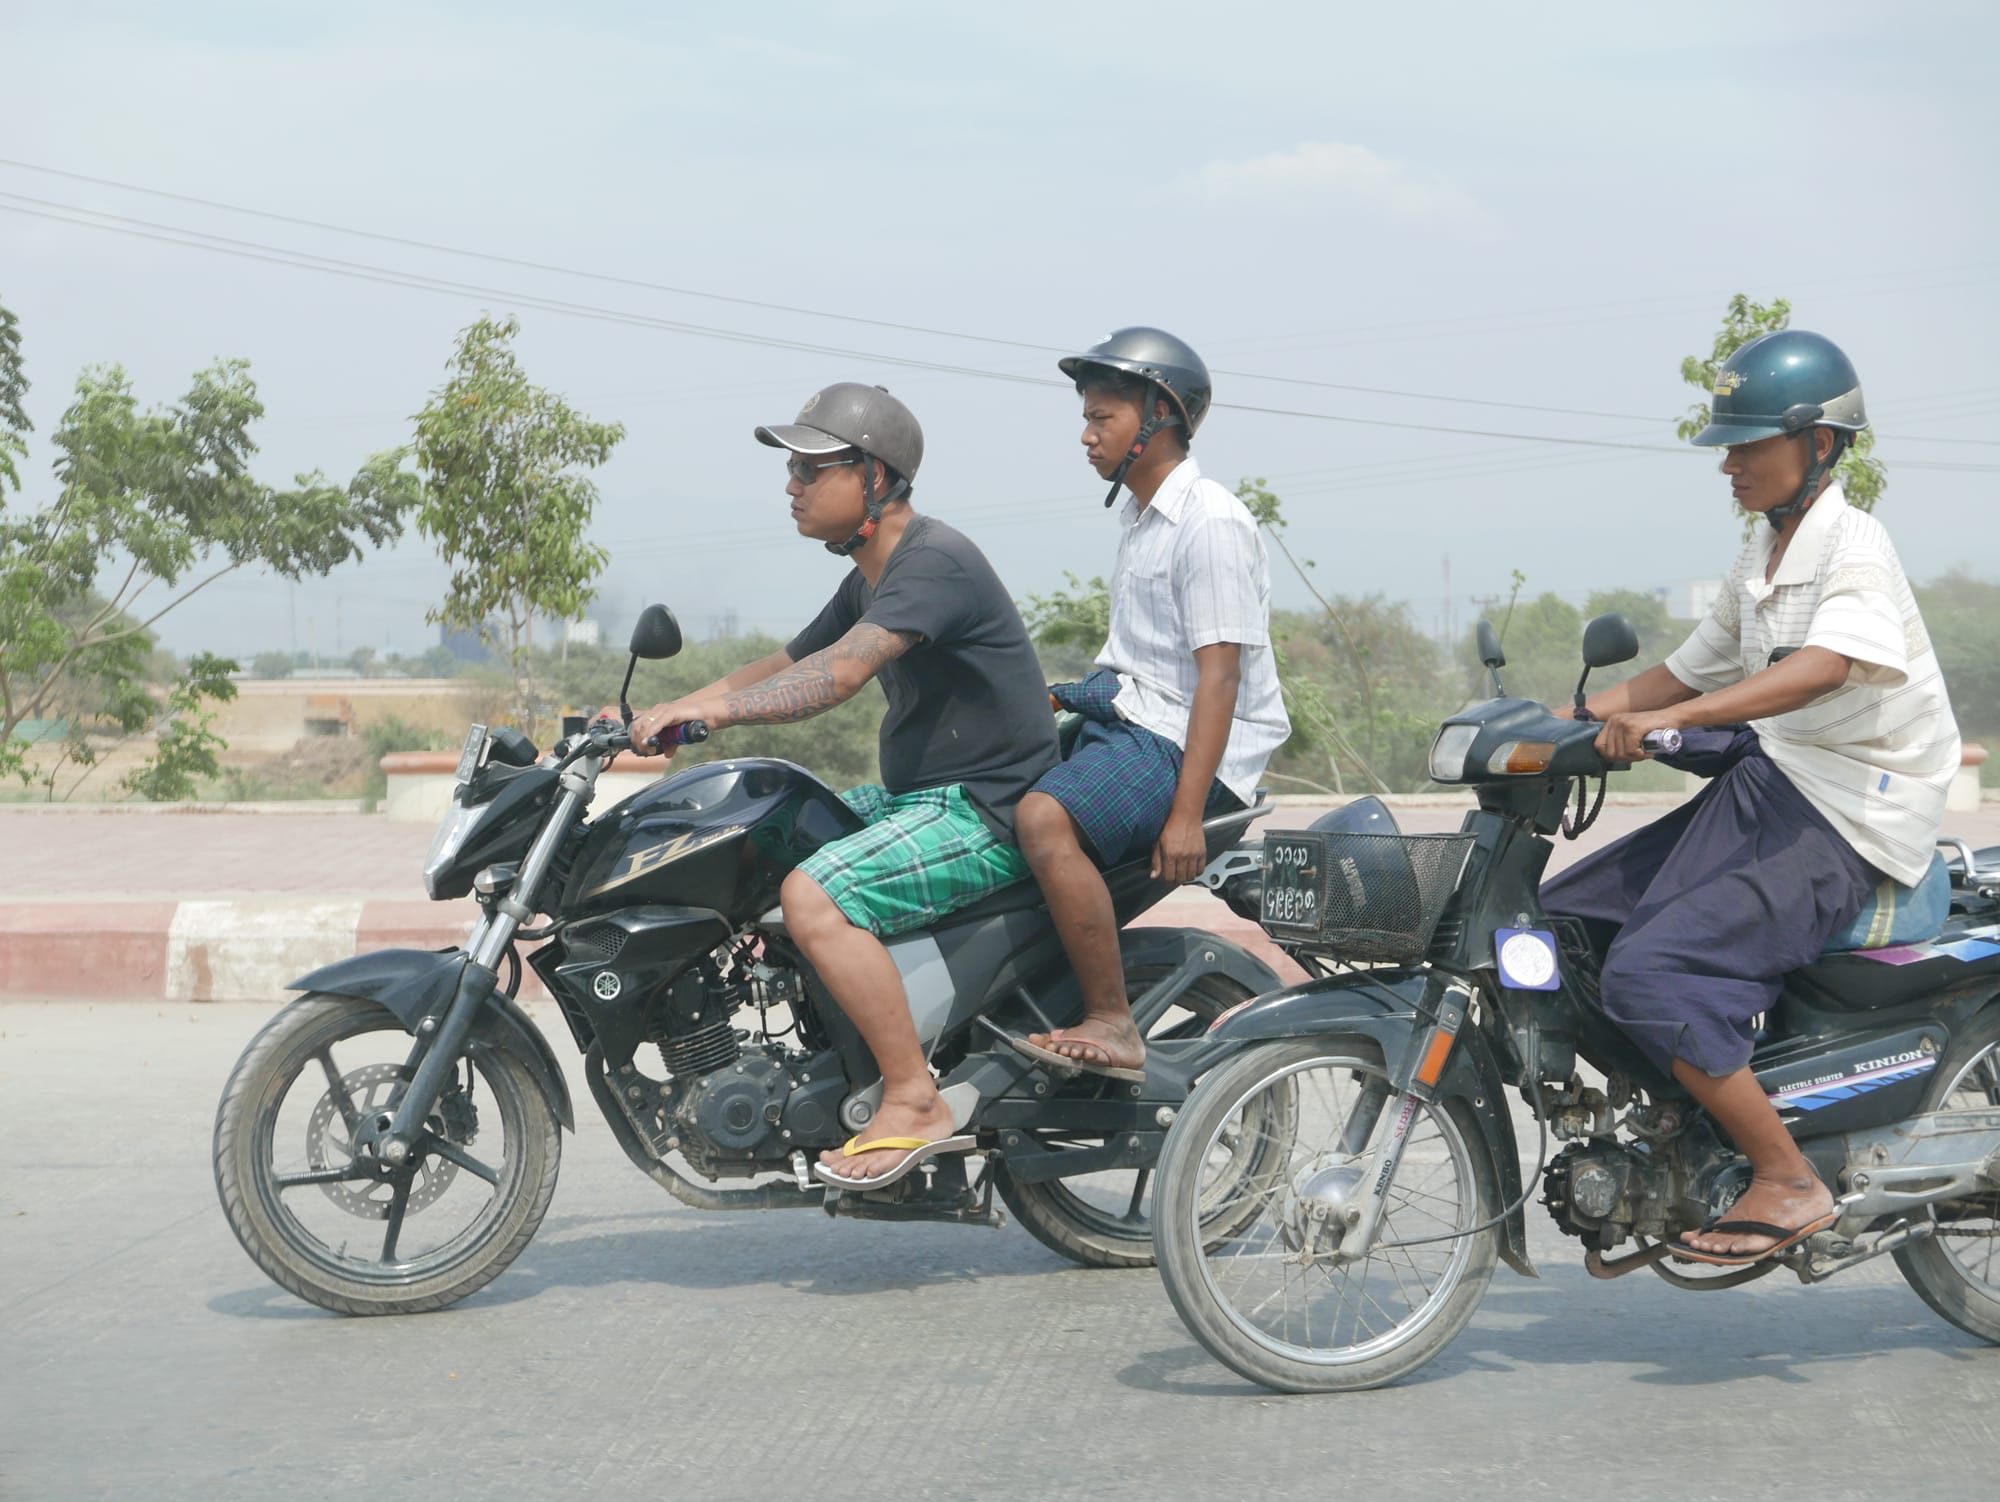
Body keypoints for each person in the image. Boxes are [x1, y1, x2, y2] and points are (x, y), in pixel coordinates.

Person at [1542, 329, 1960, 1265]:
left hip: (1852, 814)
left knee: (1651, 972)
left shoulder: (1854, 547)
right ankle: (1688, 1109)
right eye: (1726, 445)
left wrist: (1672, 723)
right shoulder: (1763, 554)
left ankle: (1785, 1175)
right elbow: (1681, 674)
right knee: (1564, 924)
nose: (1728, 463)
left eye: (1747, 444)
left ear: (1816, 445)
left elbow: (1822, 668)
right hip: (1781, 783)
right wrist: (1552, 726)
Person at [625, 382, 1058, 1189]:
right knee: (757, 836)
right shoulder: (873, 574)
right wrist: (681, 706)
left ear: (875, 475)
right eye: (791, 468)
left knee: (814, 895)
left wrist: (715, 717)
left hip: (984, 809)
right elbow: (789, 663)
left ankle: (912, 1097)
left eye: (809, 469)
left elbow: (835, 678)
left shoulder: (933, 561)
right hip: (921, 798)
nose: (790, 485)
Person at [1006, 329, 1289, 1079]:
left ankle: (1112, 1019)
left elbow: (1218, 677)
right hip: (1146, 723)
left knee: (1042, 816)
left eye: (1103, 418)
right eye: (1088, 418)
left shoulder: (1210, 521)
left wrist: (1188, 812)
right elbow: (1140, 670)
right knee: (990, 781)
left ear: (1160, 415)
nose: (1086, 435)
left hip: (1191, 748)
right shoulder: (1139, 519)